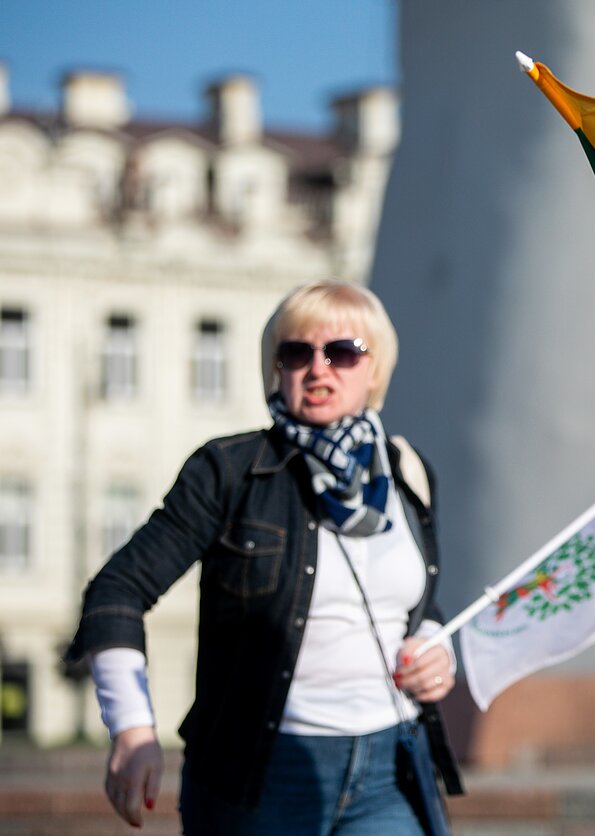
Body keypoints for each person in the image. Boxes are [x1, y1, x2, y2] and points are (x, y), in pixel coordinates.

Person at [65, 280, 461, 834]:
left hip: (389, 766)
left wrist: (437, 649)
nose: (318, 369)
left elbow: (417, 602)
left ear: (375, 369)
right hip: (263, 774)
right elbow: (117, 591)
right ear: (276, 368)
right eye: (296, 352)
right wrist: (132, 729)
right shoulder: (230, 470)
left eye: (343, 352)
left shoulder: (407, 471)